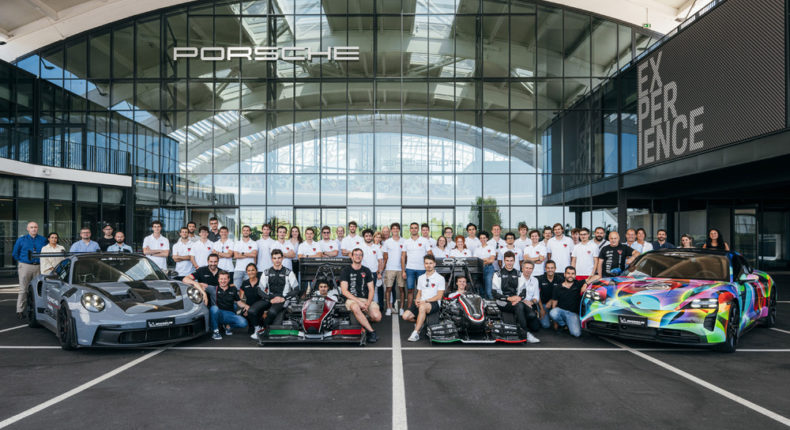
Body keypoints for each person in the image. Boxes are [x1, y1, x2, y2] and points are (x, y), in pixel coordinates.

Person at [491, 252, 539, 343]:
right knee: (520, 306)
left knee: (532, 314)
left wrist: (518, 298)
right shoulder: (497, 274)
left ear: (514, 261)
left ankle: (519, 327)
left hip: (516, 301)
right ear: (504, 261)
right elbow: (494, 293)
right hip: (503, 302)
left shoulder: (518, 274)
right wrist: (509, 298)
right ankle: (525, 334)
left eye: (511, 261)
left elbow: (523, 292)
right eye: (507, 261)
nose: (509, 263)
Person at [340, 248, 381, 343]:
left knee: (377, 317)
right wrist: (359, 302)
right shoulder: (345, 270)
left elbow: (371, 289)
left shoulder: (366, 270)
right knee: (355, 307)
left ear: (362, 257)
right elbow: (344, 291)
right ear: (352, 256)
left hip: (365, 299)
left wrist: (368, 303)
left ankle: (364, 321)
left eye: (360, 255)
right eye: (356, 254)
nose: (358, 256)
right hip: (352, 299)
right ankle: (371, 332)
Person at [403, 254, 445, 342]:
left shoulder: (440, 278)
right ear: (424, 264)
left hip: (434, 303)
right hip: (422, 301)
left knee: (422, 307)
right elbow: (419, 292)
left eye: (430, 263)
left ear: (434, 264)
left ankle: (416, 333)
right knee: (405, 316)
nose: (428, 265)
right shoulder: (421, 277)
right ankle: (421, 323)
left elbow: (439, 296)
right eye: (426, 263)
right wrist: (417, 299)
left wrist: (425, 301)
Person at [259, 249, 299, 332]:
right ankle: (258, 327)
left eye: (279, 258)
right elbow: (259, 290)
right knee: (253, 310)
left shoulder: (289, 272)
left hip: (283, 299)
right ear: (272, 259)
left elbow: (296, 289)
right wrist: (270, 299)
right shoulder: (266, 272)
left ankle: (263, 329)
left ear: (282, 258)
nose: (277, 260)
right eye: (274, 258)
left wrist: (284, 298)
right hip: (270, 298)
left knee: (272, 312)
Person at [13, 222, 47, 318]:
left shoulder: (43, 240)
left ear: (38, 228)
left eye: (35, 227)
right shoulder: (21, 240)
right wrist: (22, 261)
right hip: (25, 266)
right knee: (23, 289)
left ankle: (37, 310)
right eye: (31, 227)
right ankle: (20, 310)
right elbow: (15, 253)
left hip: (39, 267)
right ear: (28, 229)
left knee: (38, 289)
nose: (34, 229)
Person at [205, 271, 249, 340]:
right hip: (218, 313)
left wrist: (246, 306)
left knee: (243, 323)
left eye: (225, 279)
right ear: (218, 280)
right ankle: (215, 332)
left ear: (228, 280)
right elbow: (198, 284)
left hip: (228, 314)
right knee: (214, 308)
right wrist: (203, 294)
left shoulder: (233, 289)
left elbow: (239, 302)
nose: (223, 281)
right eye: (221, 279)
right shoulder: (213, 289)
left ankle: (228, 327)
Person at [548, 266, 587, 337]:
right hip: (561, 311)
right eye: (568, 273)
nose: (570, 275)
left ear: (575, 275)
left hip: (573, 314)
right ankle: (562, 324)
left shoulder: (578, 284)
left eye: (572, 274)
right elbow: (554, 303)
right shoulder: (558, 287)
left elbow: (597, 277)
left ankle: (568, 323)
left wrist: (585, 284)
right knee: (553, 312)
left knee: (576, 334)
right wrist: (555, 322)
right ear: (564, 274)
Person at [402, 222, 432, 311]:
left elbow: (430, 254)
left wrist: (429, 269)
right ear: (410, 230)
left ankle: (421, 309)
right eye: (412, 228)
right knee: (410, 290)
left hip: (422, 270)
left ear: (418, 229)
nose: (414, 229)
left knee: (422, 291)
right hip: (410, 269)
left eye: (415, 228)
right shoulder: (406, 242)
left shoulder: (424, 240)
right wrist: (403, 271)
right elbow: (403, 256)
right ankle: (410, 309)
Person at [382, 222, 406, 316]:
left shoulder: (404, 241)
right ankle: (388, 308)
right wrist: (382, 269)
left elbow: (405, 256)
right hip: (389, 268)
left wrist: (404, 268)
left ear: (399, 230)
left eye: (397, 228)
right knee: (388, 288)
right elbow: (385, 257)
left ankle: (401, 308)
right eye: (393, 228)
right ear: (391, 230)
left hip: (401, 269)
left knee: (402, 289)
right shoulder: (387, 242)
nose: (395, 230)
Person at [238, 263, 267, 339]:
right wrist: (244, 308)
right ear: (246, 272)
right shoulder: (245, 283)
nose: (251, 272)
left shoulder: (262, 282)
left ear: (256, 271)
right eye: (249, 270)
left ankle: (259, 327)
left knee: (264, 323)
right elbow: (241, 298)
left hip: (261, 309)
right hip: (249, 308)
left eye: (253, 270)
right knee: (243, 313)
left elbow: (266, 298)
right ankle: (254, 327)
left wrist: (265, 311)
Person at [536, 260, 563, 329]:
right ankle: (538, 314)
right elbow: (537, 294)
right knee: (546, 325)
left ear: (555, 268)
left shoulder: (560, 279)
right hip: (543, 304)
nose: (550, 270)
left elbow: (561, 294)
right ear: (545, 269)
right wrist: (541, 309)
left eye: (552, 268)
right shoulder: (540, 279)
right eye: (548, 268)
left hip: (556, 304)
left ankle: (556, 320)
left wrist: (551, 300)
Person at [360, 229, 383, 307]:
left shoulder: (376, 247)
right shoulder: (360, 246)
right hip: (362, 272)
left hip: (373, 272)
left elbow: (380, 261)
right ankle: (364, 308)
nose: (368, 237)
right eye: (366, 236)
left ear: (372, 237)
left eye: (370, 236)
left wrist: (379, 272)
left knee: (372, 291)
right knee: (363, 291)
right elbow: (352, 255)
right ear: (364, 237)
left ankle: (374, 308)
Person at [474, 231, 497, 299]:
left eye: (484, 238)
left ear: (487, 238)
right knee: (481, 290)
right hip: (479, 270)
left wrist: (481, 260)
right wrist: (486, 259)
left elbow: (492, 260)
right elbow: (475, 261)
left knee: (488, 290)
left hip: (489, 269)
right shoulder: (477, 249)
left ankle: (492, 306)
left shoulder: (491, 247)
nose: (482, 239)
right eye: (481, 238)